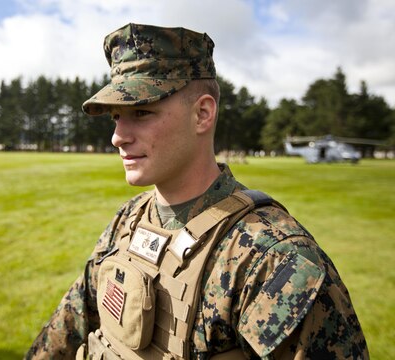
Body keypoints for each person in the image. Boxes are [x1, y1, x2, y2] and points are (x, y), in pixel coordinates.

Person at [26, 23, 369, 360]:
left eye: (141, 112)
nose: (118, 136)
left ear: (202, 114)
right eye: (116, 116)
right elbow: (67, 329)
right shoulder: (128, 220)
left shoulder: (272, 260)